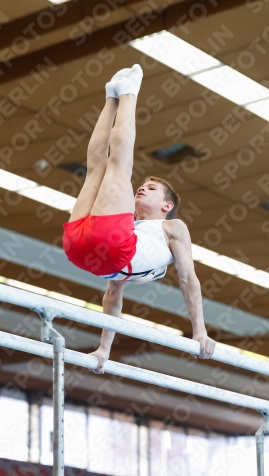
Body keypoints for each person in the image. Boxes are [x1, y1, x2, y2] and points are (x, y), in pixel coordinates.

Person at [63, 64, 216, 373]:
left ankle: (130, 91)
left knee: (119, 166)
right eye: (143, 186)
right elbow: (112, 296)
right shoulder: (128, 224)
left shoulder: (173, 227)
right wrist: (103, 348)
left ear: (167, 205)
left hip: (97, 251)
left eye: (154, 188)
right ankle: (111, 94)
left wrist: (199, 329)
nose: (143, 187)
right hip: (87, 251)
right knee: (97, 169)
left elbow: (188, 279)